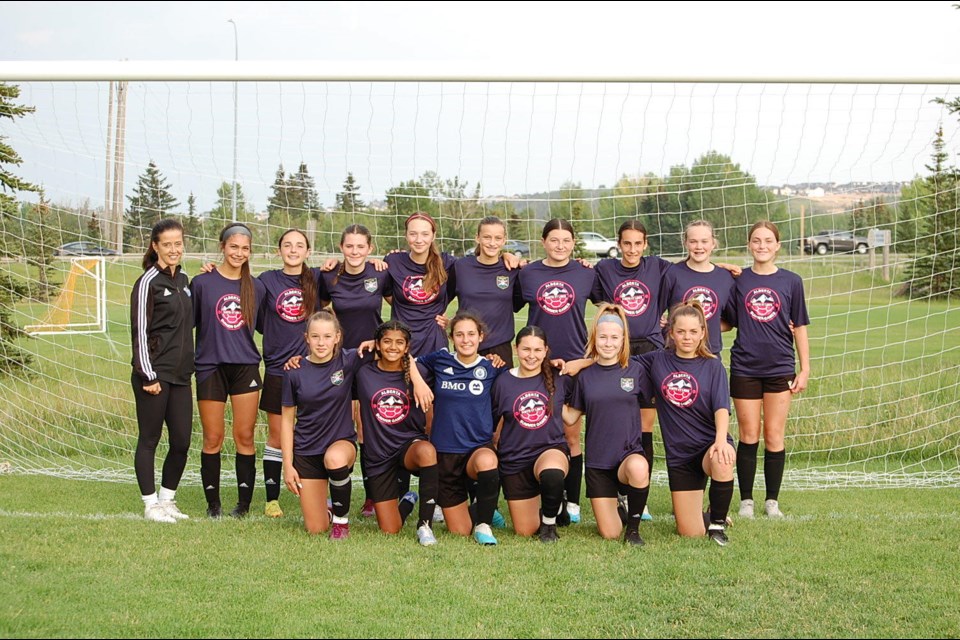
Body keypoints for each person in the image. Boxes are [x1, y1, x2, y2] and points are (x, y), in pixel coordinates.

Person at [517, 218, 598, 525]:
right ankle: (543, 493)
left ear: (573, 243)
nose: (560, 245)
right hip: (538, 362)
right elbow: (507, 304)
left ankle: (572, 502)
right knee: (536, 427)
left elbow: (611, 304)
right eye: (554, 240)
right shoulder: (528, 273)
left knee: (571, 434)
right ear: (543, 242)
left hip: (574, 362)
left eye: (566, 240)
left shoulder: (586, 273)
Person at [728, 221, 810, 519]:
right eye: (756, 240)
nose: (761, 245)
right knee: (748, 434)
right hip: (745, 366)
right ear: (749, 245)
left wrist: (805, 369)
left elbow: (799, 326)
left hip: (780, 366)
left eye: (767, 241)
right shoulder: (737, 280)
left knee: (774, 435)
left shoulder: (791, 281)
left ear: (777, 245)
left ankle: (771, 501)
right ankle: (746, 500)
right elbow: (726, 321)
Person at [636, 300, 736, 545]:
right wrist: (581, 363)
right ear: (671, 333)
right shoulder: (657, 360)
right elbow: (619, 362)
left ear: (703, 332)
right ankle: (704, 515)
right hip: (680, 456)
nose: (687, 337)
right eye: (681, 332)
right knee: (689, 532)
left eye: (693, 332)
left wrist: (721, 440)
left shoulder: (713, 365)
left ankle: (717, 523)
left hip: (708, 446)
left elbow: (722, 407)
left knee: (722, 460)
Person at [591, 220, 672, 521]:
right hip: (617, 349)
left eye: (638, 243)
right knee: (616, 421)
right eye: (627, 243)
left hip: (650, 351)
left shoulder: (659, 267)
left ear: (645, 244)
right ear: (619, 243)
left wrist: (726, 265)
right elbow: (591, 291)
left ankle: (641, 496)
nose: (633, 249)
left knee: (644, 427)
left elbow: (694, 266)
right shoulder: (605, 270)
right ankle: (616, 492)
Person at [410, 310, 506, 545]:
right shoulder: (440, 359)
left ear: (480, 337)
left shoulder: (491, 366)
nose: (466, 340)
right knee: (460, 530)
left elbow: (519, 379)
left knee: (487, 461)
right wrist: (419, 382)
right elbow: (407, 359)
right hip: (446, 453)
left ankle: (484, 523)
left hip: (476, 448)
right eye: (460, 335)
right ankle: (481, 506)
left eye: (471, 334)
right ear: (452, 338)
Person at [190, 222, 266, 519]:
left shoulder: (256, 287)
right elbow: (189, 325)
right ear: (222, 247)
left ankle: (243, 505)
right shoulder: (202, 283)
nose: (239, 252)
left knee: (245, 436)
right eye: (233, 247)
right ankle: (213, 506)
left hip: (245, 366)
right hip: (210, 366)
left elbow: (264, 326)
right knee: (213, 437)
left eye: (245, 248)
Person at [562, 305, 651, 546]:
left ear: (623, 340)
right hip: (598, 463)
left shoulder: (636, 370)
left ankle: (633, 530)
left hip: (627, 455)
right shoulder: (585, 376)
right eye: (602, 337)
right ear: (594, 338)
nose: (608, 343)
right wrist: (549, 393)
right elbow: (571, 417)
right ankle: (620, 508)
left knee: (639, 467)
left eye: (614, 337)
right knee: (610, 533)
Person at [320, 224, 392, 518]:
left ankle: (373, 497)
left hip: (370, 360)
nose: (355, 251)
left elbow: (403, 306)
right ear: (341, 247)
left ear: (370, 249)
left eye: (360, 247)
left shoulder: (381, 273)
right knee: (337, 424)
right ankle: (335, 491)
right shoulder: (328, 274)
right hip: (338, 360)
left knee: (367, 429)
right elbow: (319, 312)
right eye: (349, 246)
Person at [255, 228, 324, 518]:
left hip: (312, 370)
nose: (293, 250)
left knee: (316, 432)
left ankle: (319, 493)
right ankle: (272, 500)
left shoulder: (318, 278)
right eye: (287, 245)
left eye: (299, 246)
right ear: (278, 250)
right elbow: (257, 318)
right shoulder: (266, 280)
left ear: (308, 251)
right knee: (276, 435)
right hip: (277, 368)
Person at [281, 310, 368, 538]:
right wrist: (287, 465)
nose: (321, 343)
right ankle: (328, 511)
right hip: (307, 451)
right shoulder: (294, 372)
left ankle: (341, 524)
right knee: (315, 528)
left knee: (334, 458)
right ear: (306, 338)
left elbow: (391, 346)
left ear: (337, 337)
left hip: (341, 445)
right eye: (316, 336)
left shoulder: (348, 360)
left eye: (328, 336)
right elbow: (287, 421)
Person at [130, 218, 194, 523]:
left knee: (181, 440)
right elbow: (139, 332)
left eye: (178, 243)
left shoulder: (184, 281)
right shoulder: (147, 283)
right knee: (150, 439)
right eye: (166, 244)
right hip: (154, 376)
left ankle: (168, 499)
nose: (173, 249)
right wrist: (148, 375)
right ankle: (150, 504)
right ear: (155, 246)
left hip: (182, 376)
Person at [354, 321, 440, 546]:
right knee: (390, 529)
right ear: (378, 345)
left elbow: (431, 405)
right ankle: (409, 501)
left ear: (407, 347)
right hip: (379, 454)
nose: (393, 347)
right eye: (387, 341)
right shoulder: (363, 373)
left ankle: (425, 525)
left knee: (427, 451)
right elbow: (333, 359)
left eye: (399, 342)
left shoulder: (419, 373)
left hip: (408, 446)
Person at [491, 326, 571, 543]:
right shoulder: (502, 381)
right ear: (515, 349)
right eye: (526, 349)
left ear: (546, 351)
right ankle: (555, 502)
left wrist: (568, 364)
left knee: (552, 473)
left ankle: (549, 524)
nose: (531, 356)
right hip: (515, 459)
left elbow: (592, 364)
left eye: (537, 350)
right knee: (525, 531)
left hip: (549, 450)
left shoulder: (559, 377)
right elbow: (494, 422)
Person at [450, 216, 524, 366]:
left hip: (500, 347)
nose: (492, 243)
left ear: (504, 240)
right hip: (467, 344)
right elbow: (442, 297)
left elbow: (517, 304)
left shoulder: (512, 270)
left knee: (500, 389)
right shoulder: (461, 267)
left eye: (498, 238)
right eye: (487, 237)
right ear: (477, 238)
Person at [384, 212, 456, 358]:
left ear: (433, 236)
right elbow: (387, 293)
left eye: (425, 234)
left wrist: (454, 320)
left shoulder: (447, 263)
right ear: (406, 235)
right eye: (413, 234)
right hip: (400, 342)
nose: (418, 240)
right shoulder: (393, 261)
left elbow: (474, 282)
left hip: (434, 342)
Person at [659, 220, 737, 355]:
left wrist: (703, 329)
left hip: (710, 353)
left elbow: (730, 323)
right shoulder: (673, 274)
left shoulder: (725, 278)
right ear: (686, 243)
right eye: (693, 241)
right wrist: (672, 327)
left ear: (713, 243)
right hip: (675, 354)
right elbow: (655, 314)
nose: (699, 246)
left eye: (704, 241)